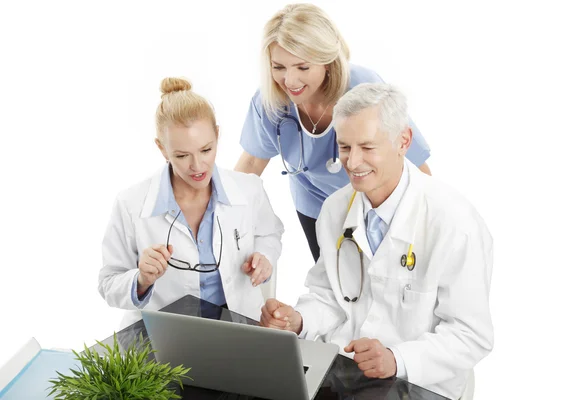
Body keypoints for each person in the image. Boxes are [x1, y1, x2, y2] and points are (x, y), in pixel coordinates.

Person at [260, 83, 493, 400]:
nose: (353, 162)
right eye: (344, 147)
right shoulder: (335, 210)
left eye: (367, 147)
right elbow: (329, 295)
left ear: (403, 141)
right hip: (346, 373)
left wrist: (397, 359)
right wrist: (298, 320)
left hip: (421, 385)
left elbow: (470, 335)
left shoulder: (454, 221)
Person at [235, 3, 432, 262]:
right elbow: (251, 161)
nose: (289, 81)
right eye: (279, 67)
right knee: (332, 280)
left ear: (327, 61)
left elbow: (414, 159)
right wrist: (220, 213)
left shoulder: (364, 87)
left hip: (372, 198)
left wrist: (432, 218)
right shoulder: (269, 102)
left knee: (384, 279)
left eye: (302, 67)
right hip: (314, 203)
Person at [99, 77, 284, 327]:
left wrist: (264, 257)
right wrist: (141, 280)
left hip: (237, 329)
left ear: (218, 135)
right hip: (164, 337)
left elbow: (269, 234)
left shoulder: (249, 189)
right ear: (162, 149)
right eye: (182, 155)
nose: (197, 166)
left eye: (206, 150)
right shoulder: (131, 204)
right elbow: (108, 282)